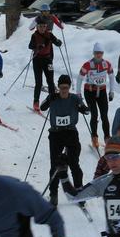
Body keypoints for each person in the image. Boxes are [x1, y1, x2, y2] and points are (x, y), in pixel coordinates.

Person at [40, 74, 89, 206]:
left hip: (71, 132)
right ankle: (53, 193)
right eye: (61, 88)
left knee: (74, 163)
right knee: (55, 164)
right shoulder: (54, 97)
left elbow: (86, 111)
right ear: (58, 87)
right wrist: (50, 97)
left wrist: (83, 109)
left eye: (66, 88)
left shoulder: (74, 98)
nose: (64, 91)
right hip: (56, 133)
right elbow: (42, 107)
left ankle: (79, 191)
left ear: (69, 87)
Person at [76, 42, 115, 148]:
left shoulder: (107, 64)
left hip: (101, 91)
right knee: (94, 114)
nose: (99, 55)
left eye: (101, 53)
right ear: (93, 53)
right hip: (89, 92)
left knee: (104, 115)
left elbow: (111, 77)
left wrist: (111, 91)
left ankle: (107, 138)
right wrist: (78, 94)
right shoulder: (88, 64)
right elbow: (80, 78)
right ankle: (94, 137)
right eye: (97, 53)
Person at [28, 17, 62, 111]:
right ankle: (36, 102)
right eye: (40, 26)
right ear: (37, 27)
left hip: (48, 60)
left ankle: (53, 101)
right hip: (37, 60)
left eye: (44, 26)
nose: (42, 28)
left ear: (46, 27)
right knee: (38, 82)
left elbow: (56, 42)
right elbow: (30, 46)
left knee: (50, 82)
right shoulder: (34, 36)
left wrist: (59, 42)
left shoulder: (49, 34)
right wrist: (37, 46)